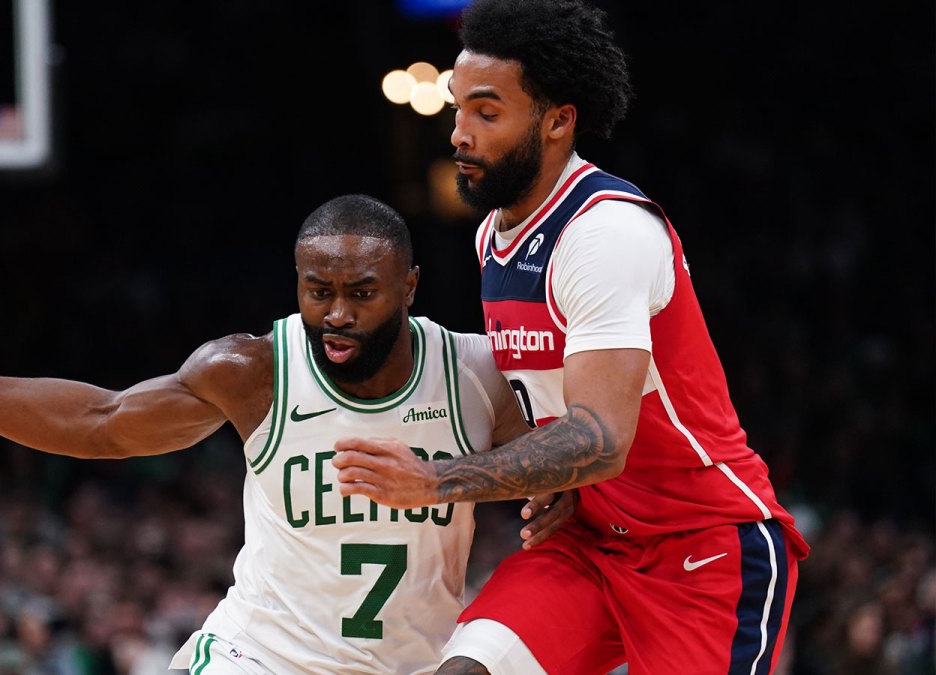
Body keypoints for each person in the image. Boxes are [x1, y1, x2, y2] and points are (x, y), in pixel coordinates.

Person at [0, 194, 571, 675]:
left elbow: (582, 443)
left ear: (407, 287)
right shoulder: (254, 370)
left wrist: (560, 486)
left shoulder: (474, 372)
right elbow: (103, 422)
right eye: (318, 290)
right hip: (259, 656)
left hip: (415, 663)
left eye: (362, 294)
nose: (336, 313)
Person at [332, 2, 811, 674]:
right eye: (457, 107)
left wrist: (435, 479)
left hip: (702, 548)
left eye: (486, 113)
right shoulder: (492, 235)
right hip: (589, 540)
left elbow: (600, 439)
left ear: (558, 119)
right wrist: (557, 477)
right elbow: (541, 400)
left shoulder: (604, 233)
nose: (459, 134)